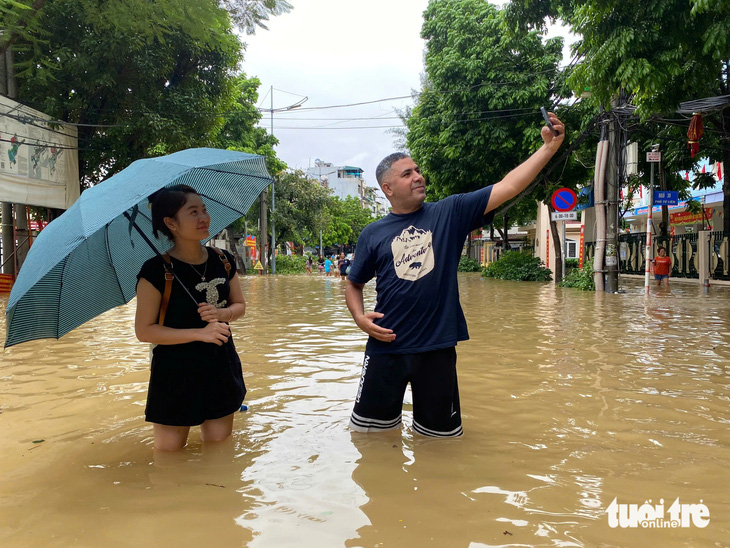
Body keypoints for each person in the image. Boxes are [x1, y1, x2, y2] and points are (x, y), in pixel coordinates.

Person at [345, 112, 565, 438]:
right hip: (385, 346)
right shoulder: (372, 233)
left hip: (437, 348)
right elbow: (353, 283)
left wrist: (549, 149)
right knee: (369, 439)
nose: (418, 176)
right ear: (388, 188)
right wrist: (360, 319)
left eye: (418, 170)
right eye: (408, 174)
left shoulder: (450, 212)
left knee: (440, 443)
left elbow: (508, 186)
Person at [135, 184, 247, 451]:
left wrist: (223, 314)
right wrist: (199, 333)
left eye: (204, 210)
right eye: (193, 212)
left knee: (220, 455)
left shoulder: (224, 260)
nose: (204, 218)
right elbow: (145, 331)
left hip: (220, 366)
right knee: (169, 460)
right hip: (175, 373)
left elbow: (240, 305)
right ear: (171, 223)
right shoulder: (155, 271)